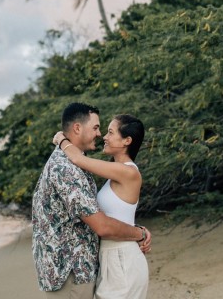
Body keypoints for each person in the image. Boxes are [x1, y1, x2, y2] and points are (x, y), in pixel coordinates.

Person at [32, 102, 151, 298]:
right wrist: (139, 232)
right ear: (78, 128)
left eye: (110, 132)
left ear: (126, 141)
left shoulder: (126, 171)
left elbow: (80, 160)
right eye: (98, 128)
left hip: (120, 259)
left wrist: (62, 139)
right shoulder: (70, 168)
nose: (102, 135)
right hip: (96, 262)